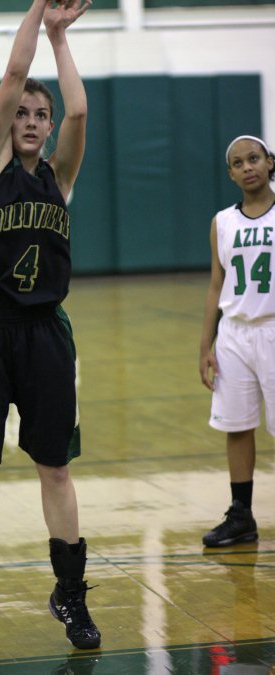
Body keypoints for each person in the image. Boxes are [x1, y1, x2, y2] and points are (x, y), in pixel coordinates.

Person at [0, 0, 101, 660]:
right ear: (5, 124)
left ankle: (70, 593)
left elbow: (80, 113)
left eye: (40, 115)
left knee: (56, 468)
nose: (34, 120)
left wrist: (62, 40)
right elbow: (14, 75)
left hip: (45, 334)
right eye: (23, 114)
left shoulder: (60, 179)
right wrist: (39, 11)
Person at [199, 134, 275, 547]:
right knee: (237, 425)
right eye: (238, 163)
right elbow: (216, 285)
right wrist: (205, 345)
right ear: (230, 173)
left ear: (270, 162)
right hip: (235, 334)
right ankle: (241, 515)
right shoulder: (222, 222)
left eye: (254, 159)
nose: (247, 167)